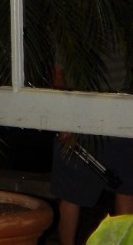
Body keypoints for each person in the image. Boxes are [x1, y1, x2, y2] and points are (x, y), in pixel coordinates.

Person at [51, 54, 133, 245]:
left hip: (123, 115)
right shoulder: (73, 27)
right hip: (81, 117)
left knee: (127, 190)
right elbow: (58, 75)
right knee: (70, 195)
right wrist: (64, 121)